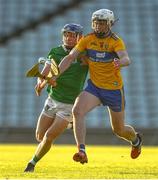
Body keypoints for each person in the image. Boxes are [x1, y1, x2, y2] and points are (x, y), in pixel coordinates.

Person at [56, 9, 142, 164]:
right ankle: (81, 151)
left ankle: (136, 140)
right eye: (96, 23)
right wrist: (55, 75)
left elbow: (126, 59)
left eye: (102, 23)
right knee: (77, 111)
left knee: (119, 130)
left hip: (114, 90)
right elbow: (70, 57)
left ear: (109, 24)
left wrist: (119, 62)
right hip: (94, 88)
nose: (98, 26)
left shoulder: (116, 41)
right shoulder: (87, 39)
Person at [24, 23, 88, 172]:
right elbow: (45, 72)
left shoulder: (85, 54)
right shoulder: (55, 51)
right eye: (66, 34)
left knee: (49, 136)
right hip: (52, 100)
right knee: (40, 136)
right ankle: (67, 124)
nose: (69, 38)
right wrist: (40, 82)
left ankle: (31, 164)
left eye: (73, 35)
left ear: (80, 37)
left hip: (69, 104)